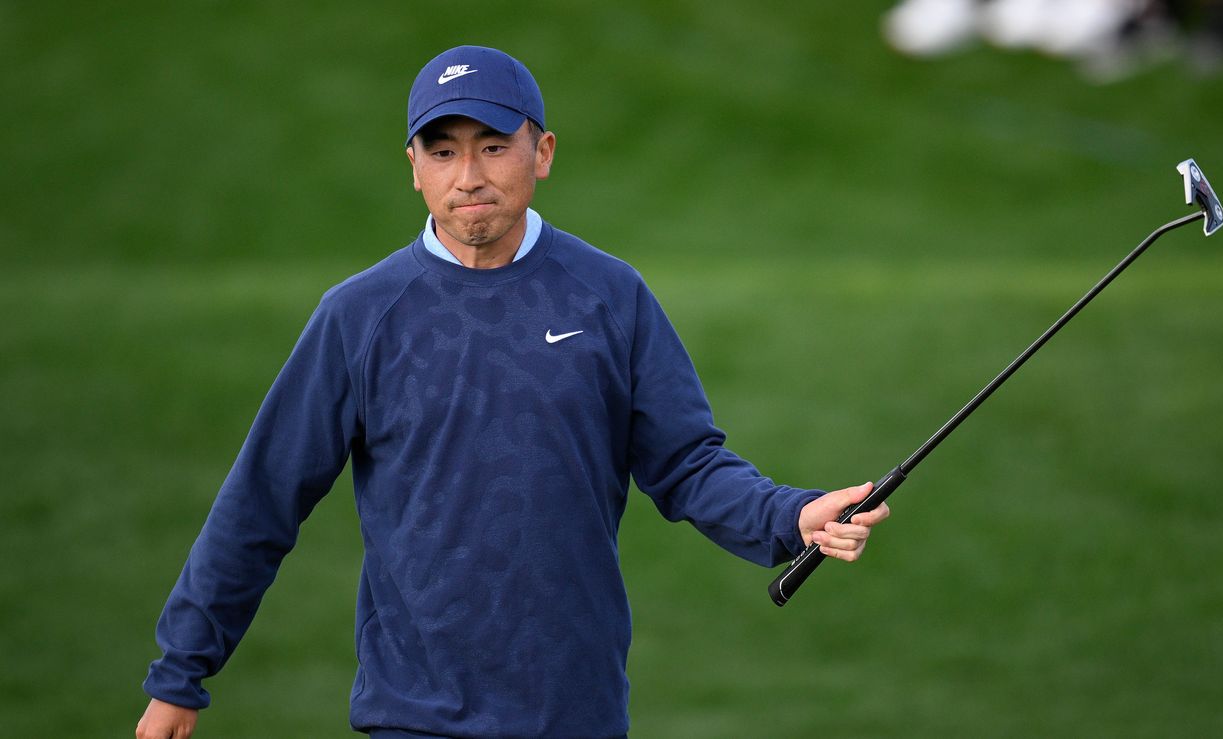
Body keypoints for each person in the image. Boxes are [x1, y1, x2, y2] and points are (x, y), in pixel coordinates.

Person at [135, 45, 891, 739]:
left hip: (576, 713)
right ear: (413, 165)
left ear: (543, 152)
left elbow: (688, 463)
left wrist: (791, 514)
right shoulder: (358, 317)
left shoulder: (609, 296)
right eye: (443, 152)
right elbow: (262, 499)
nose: (469, 176)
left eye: (494, 147)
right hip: (414, 715)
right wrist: (181, 673)